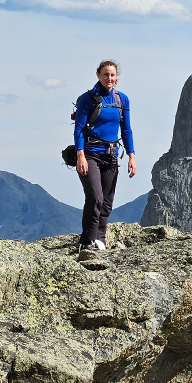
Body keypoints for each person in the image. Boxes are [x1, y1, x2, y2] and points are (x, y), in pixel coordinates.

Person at [74, 59, 136, 252]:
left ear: (116, 77)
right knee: (95, 197)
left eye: (112, 75)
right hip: (90, 154)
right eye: (105, 74)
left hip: (111, 156)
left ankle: (100, 240)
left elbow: (126, 130)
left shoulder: (122, 99)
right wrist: (80, 155)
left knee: (107, 201)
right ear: (98, 76)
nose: (109, 78)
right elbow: (79, 129)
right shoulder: (88, 99)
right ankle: (87, 241)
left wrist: (132, 155)